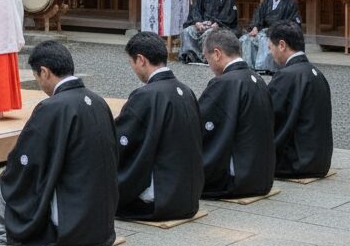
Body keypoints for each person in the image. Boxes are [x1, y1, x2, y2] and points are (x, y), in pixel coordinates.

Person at [0, 41, 118, 246]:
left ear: (45, 72)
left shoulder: (52, 107)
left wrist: (11, 175)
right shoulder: (98, 101)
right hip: (102, 223)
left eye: (38, 77)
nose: (40, 84)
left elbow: (25, 162)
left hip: (68, 223)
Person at [115, 32, 203, 221]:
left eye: (131, 62)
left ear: (140, 59)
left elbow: (121, 142)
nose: (132, 67)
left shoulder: (145, 95)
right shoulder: (186, 91)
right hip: (188, 197)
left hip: (159, 200)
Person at [198, 28, 275, 199]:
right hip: (262, 177)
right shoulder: (258, 79)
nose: (208, 64)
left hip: (237, 179)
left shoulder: (224, 83)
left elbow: (199, 125)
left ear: (217, 54)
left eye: (207, 57)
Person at [267, 21, 333, 179]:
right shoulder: (317, 73)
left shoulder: (287, 76)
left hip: (296, 163)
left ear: (282, 45)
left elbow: (267, 115)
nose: (270, 53)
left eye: (270, 47)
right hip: (320, 161)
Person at [240, 0, 301, 74]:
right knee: (247, 38)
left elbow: (292, 22)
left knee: (265, 39)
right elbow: (258, 16)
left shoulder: (291, 3)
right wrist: (255, 27)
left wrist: (275, 30)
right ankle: (249, 66)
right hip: (264, 30)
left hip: (280, 32)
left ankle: (263, 67)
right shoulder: (266, 2)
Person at [178, 0, 237, 64]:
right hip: (203, 22)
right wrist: (197, 22)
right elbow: (195, 8)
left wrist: (217, 24)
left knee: (209, 33)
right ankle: (191, 56)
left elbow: (228, 13)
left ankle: (205, 58)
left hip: (218, 24)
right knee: (187, 31)